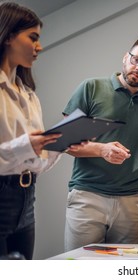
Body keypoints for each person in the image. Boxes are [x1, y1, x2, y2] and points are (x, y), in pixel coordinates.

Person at [63, 37, 138, 251]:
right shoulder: (91, 88)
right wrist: (102, 149)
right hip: (88, 196)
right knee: (79, 269)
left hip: (132, 202)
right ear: (126, 57)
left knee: (124, 269)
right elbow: (66, 141)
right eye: (136, 60)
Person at [0, 2, 82, 259]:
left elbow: (36, 163)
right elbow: (23, 149)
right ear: (8, 35)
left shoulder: (29, 95)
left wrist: (60, 145)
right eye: (33, 38)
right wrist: (25, 146)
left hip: (27, 199)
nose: (39, 47)